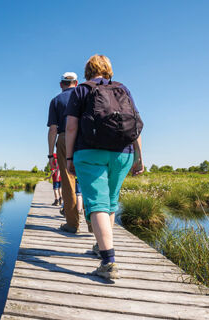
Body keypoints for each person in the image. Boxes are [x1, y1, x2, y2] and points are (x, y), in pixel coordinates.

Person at [65, 54, 144, 279]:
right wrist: (139, 157)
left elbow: (71, 127)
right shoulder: (123, 89)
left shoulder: (81, 90)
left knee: (97, 202)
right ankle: (101, 247)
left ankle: (108, 261)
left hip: (89, 152)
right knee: (110, 201)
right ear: (108, 69)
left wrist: (69, 158)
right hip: (123, 153)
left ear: (88, 70)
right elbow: (136, 125)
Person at [47, 72, 80, 233]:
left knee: (68, 182)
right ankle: (94, 224)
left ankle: (72, 224)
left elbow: (53, 129)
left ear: (61, 84)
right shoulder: (85, 95)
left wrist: (49, 154)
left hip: (64, 138)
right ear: (76, 82)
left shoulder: (56, 101)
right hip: (85, 138)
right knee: (89, 180)